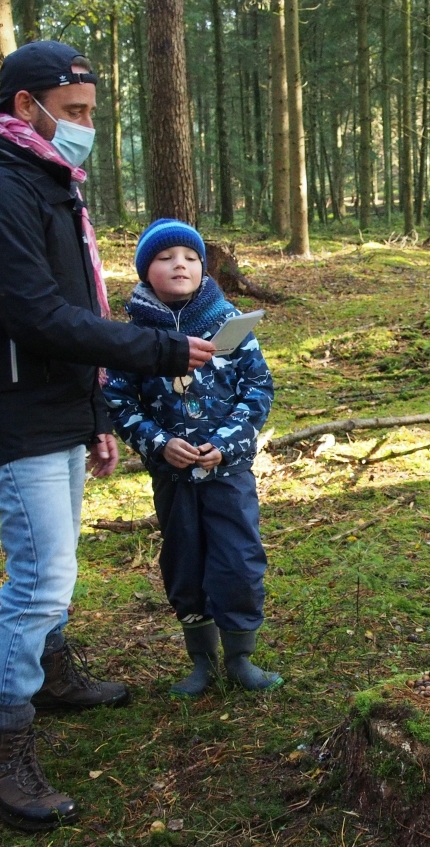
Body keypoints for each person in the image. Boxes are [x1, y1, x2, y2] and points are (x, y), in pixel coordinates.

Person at [0, 41, 217, 832]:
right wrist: (156, 349)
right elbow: (35, 316)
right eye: (74, 114)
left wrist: (93, 413)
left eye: (92, 113)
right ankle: (0, 755)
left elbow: (70, 303)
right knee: (38, 579)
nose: (86, 128)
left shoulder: (49, 181)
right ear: (25, 107)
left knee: (53, 564)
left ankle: (51, 674)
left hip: (56, 405)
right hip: (15, 412)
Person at [104, 219, 283, 699]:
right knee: (185, 561)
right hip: (174, 478)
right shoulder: (134, 337)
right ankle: (201, 661)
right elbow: (119, 403)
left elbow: (258, 390)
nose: (178, 264)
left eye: (189, 256)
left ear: (204, 267)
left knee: (240, 559)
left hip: (228, 473)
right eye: (164, 258)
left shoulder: (231, 323)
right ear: (146, 273)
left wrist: (229, 442)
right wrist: (160, 443)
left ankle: (241, 656)